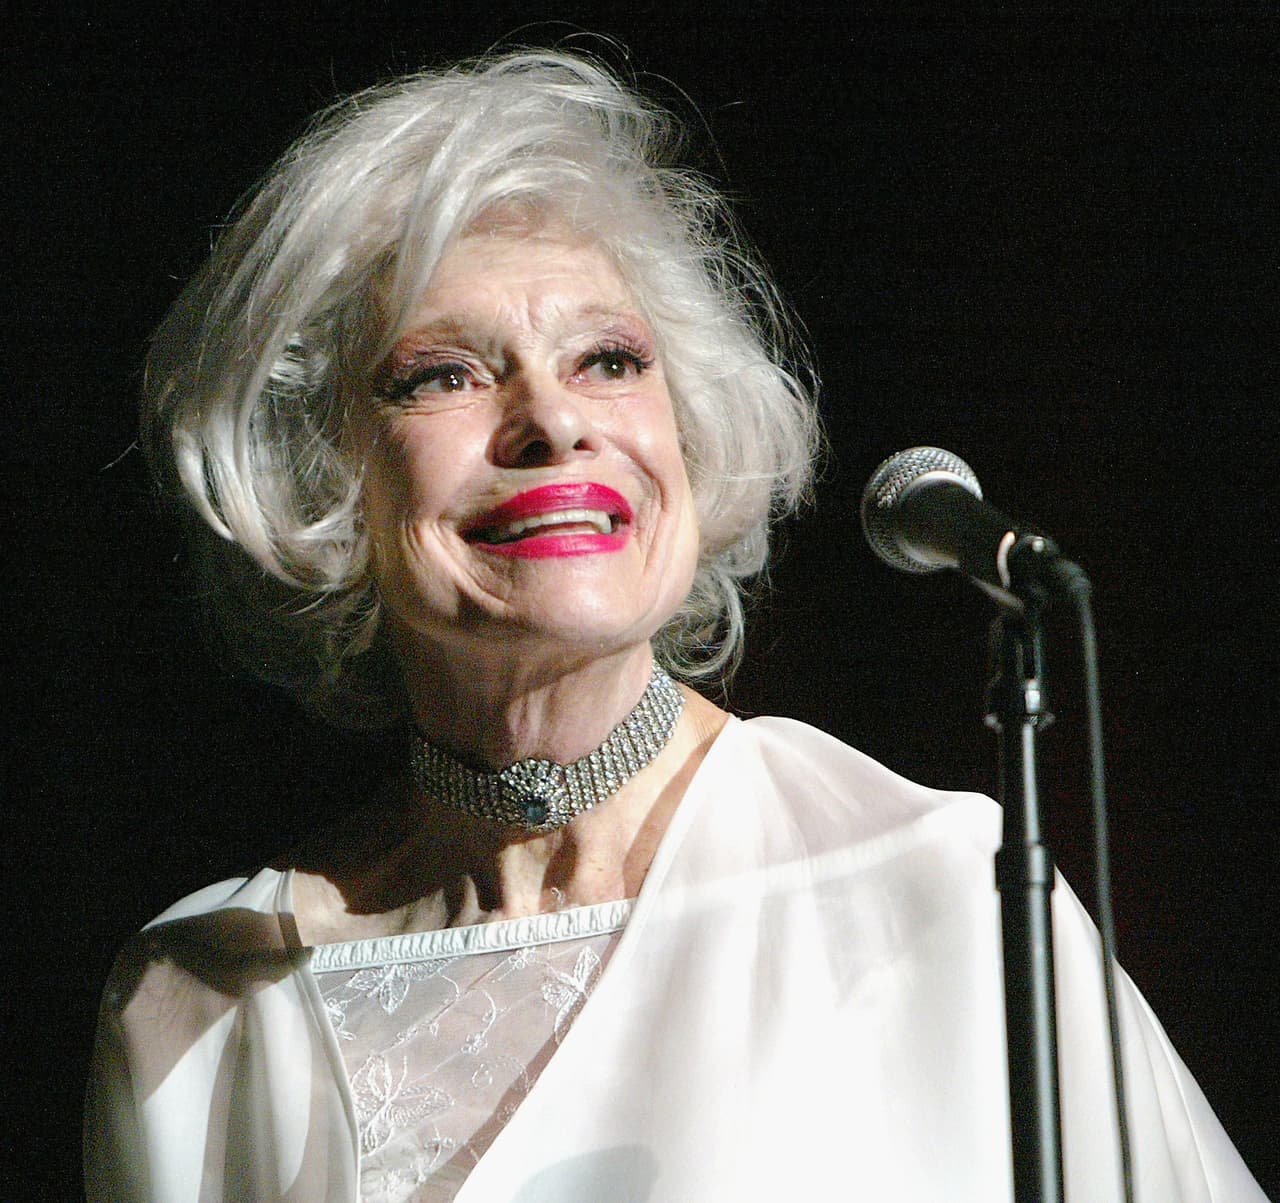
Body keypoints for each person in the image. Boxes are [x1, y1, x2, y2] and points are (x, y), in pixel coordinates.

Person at [84, 51, 1266, 1203]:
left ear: (687, 430)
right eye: (442, 374)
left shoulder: (932, 885)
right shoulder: (209, 1003)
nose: (551, 419)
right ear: (317, 474)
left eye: (607, 359)